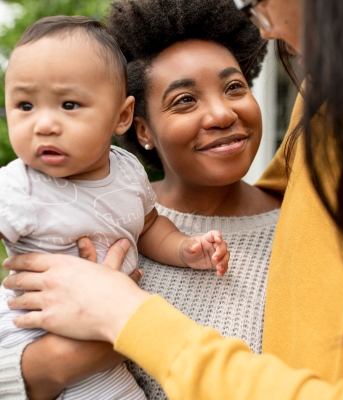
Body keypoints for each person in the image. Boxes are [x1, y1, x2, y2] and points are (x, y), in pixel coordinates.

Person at [4, 0, 343, 398]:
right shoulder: (105, 226)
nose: (221, 114)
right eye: (184, 100)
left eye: (234, 87)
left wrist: (121, 316)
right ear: (138, 127)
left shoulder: (308, 228)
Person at [0, 15, 230, 400]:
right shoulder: (18, 185)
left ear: (122, 116)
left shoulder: (126, 171)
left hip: (112, 352)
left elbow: (148, 225)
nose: (43, 124)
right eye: (25, 105)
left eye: (69, 104)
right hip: (35, 337)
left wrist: (185, 249)